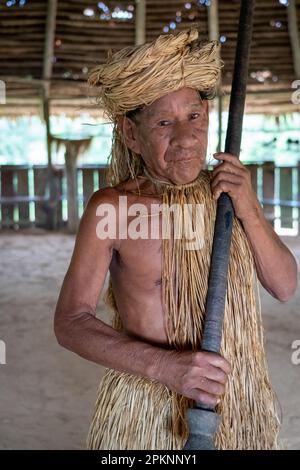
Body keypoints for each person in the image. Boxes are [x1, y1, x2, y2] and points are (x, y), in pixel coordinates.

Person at [54, 29, 297, 450]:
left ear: (207, 114)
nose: (185, 139)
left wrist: (249, 207)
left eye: (194, 117)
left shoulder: (229, 196)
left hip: (233, 404)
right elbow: (70, 323)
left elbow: (284, 286)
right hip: (148, 407)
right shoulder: (114, 208)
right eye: (164, 123)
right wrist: (165, 366)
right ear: (131, 134)